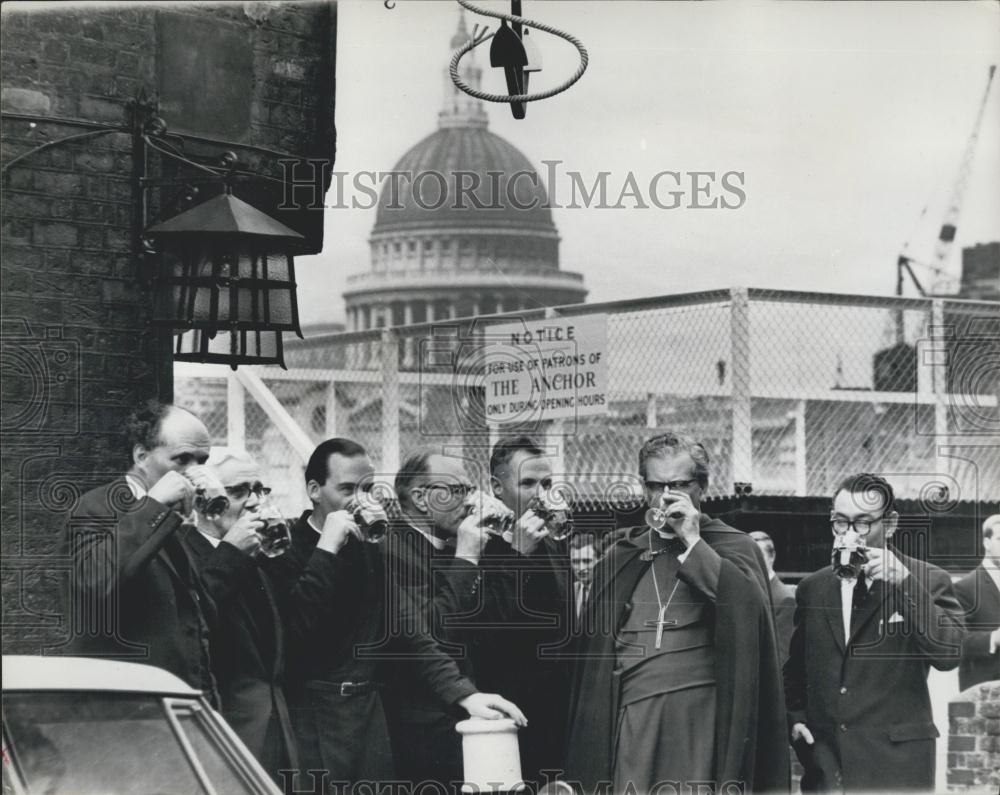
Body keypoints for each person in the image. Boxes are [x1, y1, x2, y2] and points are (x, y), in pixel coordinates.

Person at [267, 439, 524, 788]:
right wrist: (326, 549)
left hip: (368, 720)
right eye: (346, 489)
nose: (361, 500)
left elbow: (412, 631)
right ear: (314, 489)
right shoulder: (282, 548)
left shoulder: (368, 548)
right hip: (311, 722)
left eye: (369, 488)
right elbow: (294, 637)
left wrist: (466, 694)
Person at [565, 432, 788, 794]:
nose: (665, 496)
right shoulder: (621, 554)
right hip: (634, 718)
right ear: (643, 487)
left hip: (701, 720)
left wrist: (693, 542)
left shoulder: (734, 547)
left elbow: (747, 614)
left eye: (679, 484)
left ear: (702, 486)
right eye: (655, 485)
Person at [784, 473, 966, 793]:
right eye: (840, 522)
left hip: (897, 768)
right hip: (827, 769)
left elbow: (949, 654)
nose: (850, 534)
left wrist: (905, 583)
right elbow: (795, 670)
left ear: (891, 523)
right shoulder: (813, 588)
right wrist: (795, 720)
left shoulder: (927, 579)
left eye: (863, 523)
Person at [382, 447, 528, 788]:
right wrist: (465, 556)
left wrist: (503, 545)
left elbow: (497, 623)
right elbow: (434, 632)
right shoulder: (389, 550)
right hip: (419, 724)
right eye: (458, 490)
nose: (469, 501)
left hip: (462, 710)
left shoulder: (448, 543)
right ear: (420, 497)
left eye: (469, 490)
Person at [60, 400, 218, 698]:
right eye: (182, 459)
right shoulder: (96, 507)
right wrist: (154, 505)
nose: (193, 472)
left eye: (202, 460)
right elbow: (96, 582)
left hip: (179, 704)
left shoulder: (170, 518)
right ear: (141, 456)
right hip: (125, 707)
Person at [182, 447, 297, 782]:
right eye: (237, 492)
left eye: (258, 489)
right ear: (205, 500)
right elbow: (193, 620)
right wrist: (231, 553)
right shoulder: (184, 551)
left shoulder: (259, 554)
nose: (253, 501)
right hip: (225, 733)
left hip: (276, 729)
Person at [482, 436, 573, 785]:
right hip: (508, 706)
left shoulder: (553, 540)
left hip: (556, 706)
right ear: (497, 487)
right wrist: (516, 555)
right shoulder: (480, 543)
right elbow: (488, 631)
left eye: (547, 483)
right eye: (527, 483)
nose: (540, 493)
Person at [955, 513, 1000, 690]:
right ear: (986, 543)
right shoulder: (964, 587)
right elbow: (955, 641)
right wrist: (994, 639)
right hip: (983, 694)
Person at [751, 530, 797, 664]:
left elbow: (781, 659)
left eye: (758, 557)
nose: (751, 562)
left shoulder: (785, 600)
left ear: (772, 557)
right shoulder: (749, 592)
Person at [569, 534, 598, 624]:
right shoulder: (570, 591)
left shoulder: (609, 591)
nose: (581, 568)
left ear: (600, 560)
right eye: (575, 562)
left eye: (587, 561)